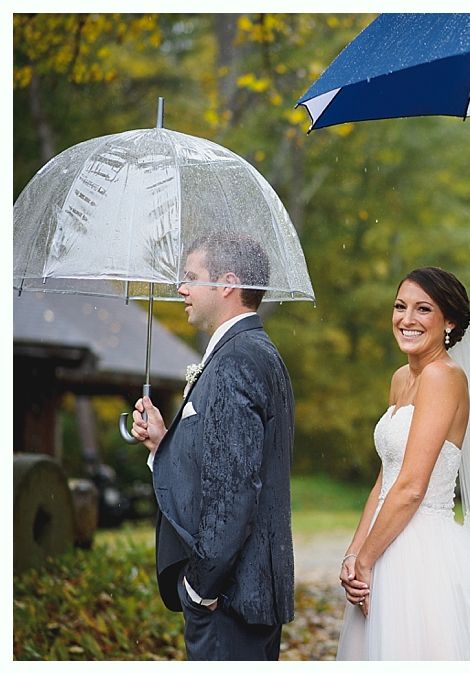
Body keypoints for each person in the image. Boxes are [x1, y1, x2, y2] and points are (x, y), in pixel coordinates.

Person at [337, 267, 470, 660]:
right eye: (400, 307)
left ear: (450, 321)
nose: (406, 320)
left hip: (420, 551)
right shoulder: (400, 378)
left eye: (423, 309)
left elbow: (411, 487)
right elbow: (385, 479)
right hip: (383, 539)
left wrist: (368, 561)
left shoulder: (444, 377)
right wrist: (353, 556)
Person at [131, 232, 295, 660]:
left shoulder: (236, 360)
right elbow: (224, 463)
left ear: (226, 283)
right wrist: (163, 444)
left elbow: (236, 490)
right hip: (245, 596)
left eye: (190, 277)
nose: (182, 289)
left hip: (229, 599)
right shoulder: (256, 351)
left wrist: (200, 588)